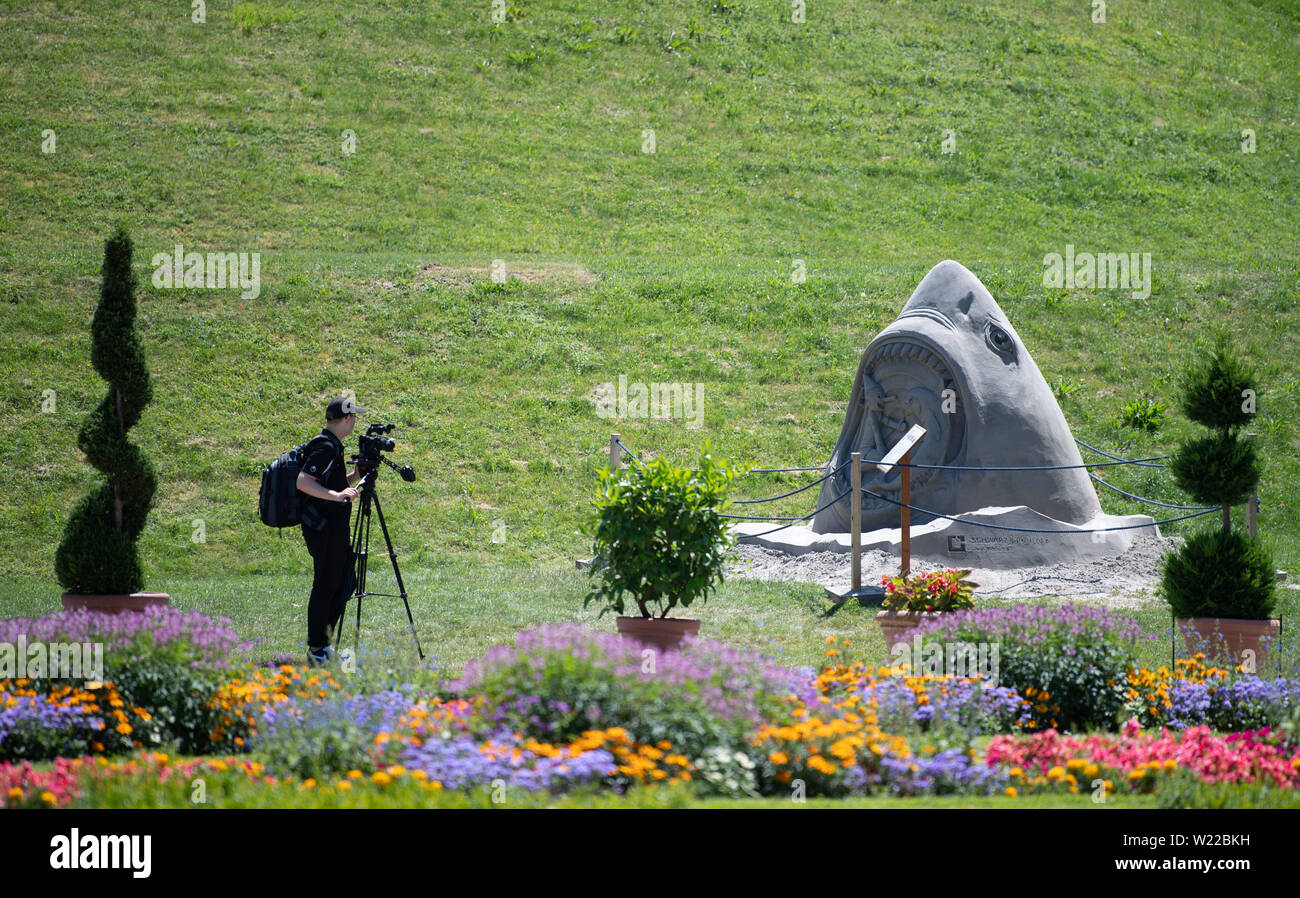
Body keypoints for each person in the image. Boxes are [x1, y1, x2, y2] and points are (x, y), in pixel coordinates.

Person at [296, 396, 365, 665]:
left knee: (345, 580)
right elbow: (304, 481)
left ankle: (322, 645)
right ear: (347, 418)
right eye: (354, 418)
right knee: (326, 585)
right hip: (323, 529)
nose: (355, 422)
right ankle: (317, 648)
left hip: (333, 528)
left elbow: (330, 484)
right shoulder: (325, 446)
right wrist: (337, 496)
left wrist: (354, 478)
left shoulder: (333, 446)